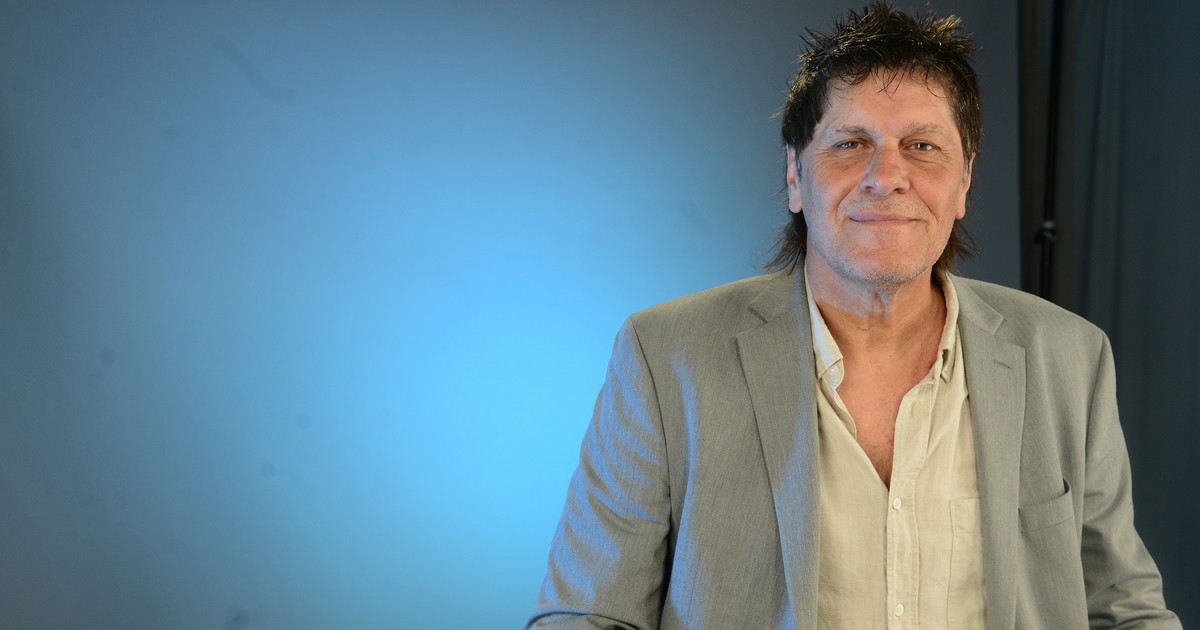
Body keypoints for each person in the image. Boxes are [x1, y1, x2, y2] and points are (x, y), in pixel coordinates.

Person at [527, 2, 1180, 628]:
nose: (885, 175)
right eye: (849, 143)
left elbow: (1123, 611)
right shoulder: (665, 358)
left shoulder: (1070, 357)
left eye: (922, 145)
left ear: (964, 181)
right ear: (795, 176)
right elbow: (586, 617)